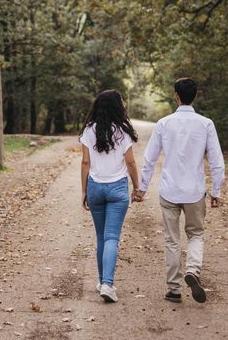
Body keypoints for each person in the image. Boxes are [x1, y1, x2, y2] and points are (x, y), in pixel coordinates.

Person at [134, 78, 225, 303]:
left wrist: (142, 188)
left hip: (169, 191)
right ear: (194, 96)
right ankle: (192, 270)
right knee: (195, 234)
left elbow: (149, 158)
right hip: (194, 191)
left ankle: (174, 289)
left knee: (172, 239)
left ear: (176, 96)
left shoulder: (164, 123)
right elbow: (216, 160)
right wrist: (217, 190)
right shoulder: (206, 124)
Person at [80, 90, 139, 303]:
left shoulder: (89, 130)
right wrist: (137, 186)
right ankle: (107, 283)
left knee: (101, 237)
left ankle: (101, 281)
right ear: (118, 106)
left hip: (95, 187)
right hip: (117, 189)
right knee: (112, 236)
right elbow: (130, 162)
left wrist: (85, 190)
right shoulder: (123, 131)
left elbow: (85, 162)